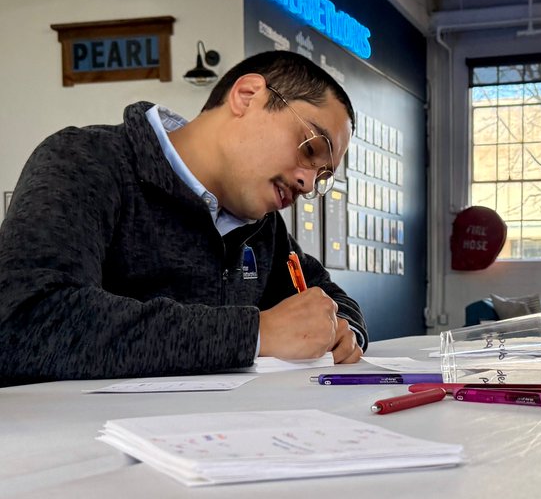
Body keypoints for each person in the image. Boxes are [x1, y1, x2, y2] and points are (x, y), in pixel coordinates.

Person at [0, 50, 367, 384]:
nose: (307, 183)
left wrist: (338, 332)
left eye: (322, 176)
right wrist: (256, 333)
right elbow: (23, 321)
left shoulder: (262, 229)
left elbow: (328, 298)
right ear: (248, 96)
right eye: (311, 148)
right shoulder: (85, 161)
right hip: (86, 433)